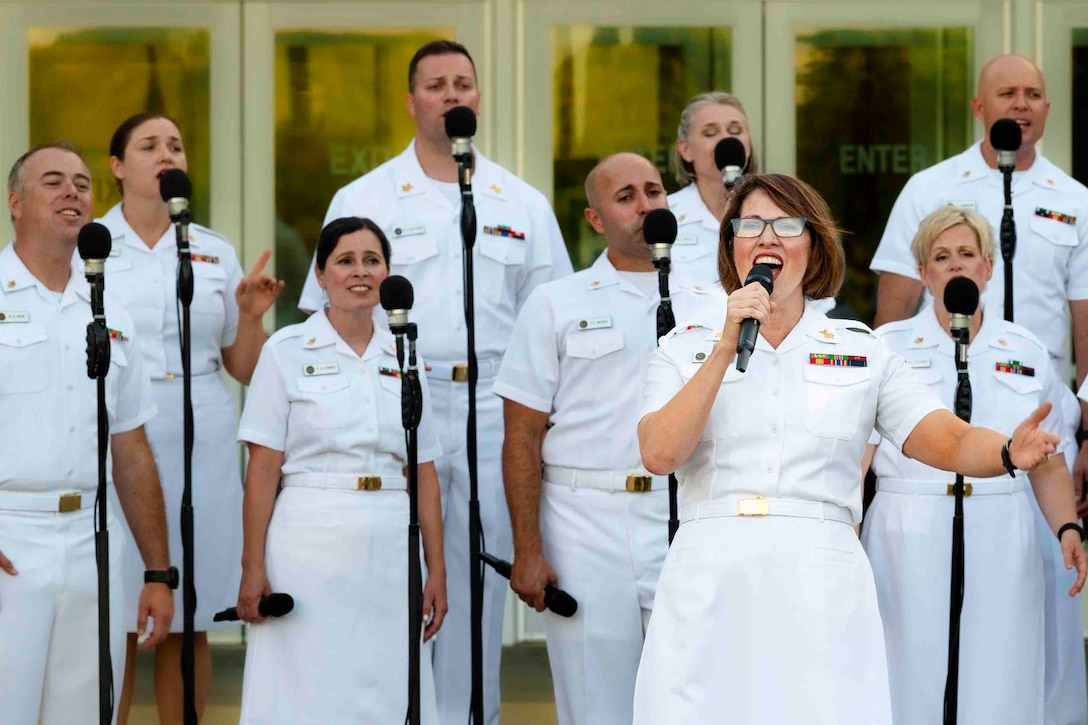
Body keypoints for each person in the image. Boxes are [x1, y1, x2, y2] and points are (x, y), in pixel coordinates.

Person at [633, 172, 1064, 724]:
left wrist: (1007, 451)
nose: (768, 237)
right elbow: (660, 454)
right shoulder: (684, 346)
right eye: (751, 225)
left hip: (821, 577)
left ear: (813, 247)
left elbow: (946, 437)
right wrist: (723, 345)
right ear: (731, 245)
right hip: (712, 573)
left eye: (787, 225)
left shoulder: (863, 351)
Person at [297, 40, 572, 724]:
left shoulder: (522, 202)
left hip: (494, 407)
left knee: (480, 577)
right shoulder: (364, 197)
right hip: (395, 397)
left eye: (464, 84)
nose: (453, 95)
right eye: (437, 85)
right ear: (411, 101)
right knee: (391, 561)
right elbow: (321, 315)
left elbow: (552, 323)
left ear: (478, 99)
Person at [869, 54, 1088, 724]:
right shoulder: (888, 348)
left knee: (1011, 676)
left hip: (1009, 513)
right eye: (942, 255)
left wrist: (1070, 521)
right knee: (908, 678)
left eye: (1034, 93)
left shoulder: (1027, 345)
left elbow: (1047, 448)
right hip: (911, 522)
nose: (956, 265)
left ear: (990, 267)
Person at [496, 153, 721, 725]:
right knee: (597, 701)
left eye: (654, 191)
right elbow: (521, 434)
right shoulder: (556, 303)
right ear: (596, 220)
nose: (646, 205)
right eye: (626, 197)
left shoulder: (715, 300)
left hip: (693, 512)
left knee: (697, 693)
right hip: (586, 521)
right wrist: (527, 549)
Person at [94, 112, 284, 725]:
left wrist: (252, 317)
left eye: (174, 144)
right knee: (118, 614)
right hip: (120, 432)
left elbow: (246, 368)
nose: (166, 153)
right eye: (148, 146)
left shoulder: (212, 248)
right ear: (119, 167)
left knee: (191, 610)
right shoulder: (91, 244)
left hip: (202, 427)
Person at [235, 217, 447, 723]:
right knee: (305, 686)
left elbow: (424, 471)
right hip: (308, 538)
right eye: (345, 261)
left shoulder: (407, 354)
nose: (360, 272)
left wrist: (435, 567)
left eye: (372, 260)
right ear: (321, 275)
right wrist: (251, 566)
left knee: (389, 683)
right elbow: (263, 469)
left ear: (388, 273)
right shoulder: (285, 351)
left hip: (392, 539)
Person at [0, 142, 174, 724]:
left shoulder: (110, 312)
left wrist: (157, 570)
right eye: (53, 182)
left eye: (82, 183)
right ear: (15, 203)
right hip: (8, 541)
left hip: (92, 541)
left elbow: (130, 448)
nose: (72, 192)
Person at [667, 92, 759, 284]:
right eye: (710, 133)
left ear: (748, 146)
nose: (727, 141)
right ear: (686, 149)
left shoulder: (780, 210)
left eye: (735, 131)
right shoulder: (665, 217)